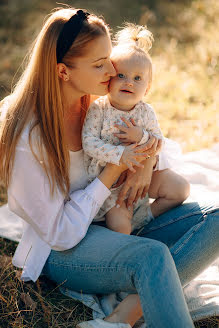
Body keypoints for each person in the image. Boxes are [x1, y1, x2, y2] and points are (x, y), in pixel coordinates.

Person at [0, 7, 218, 328]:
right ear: (63, 71)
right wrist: (114, 169)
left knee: (215, 218)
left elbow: (155, 139)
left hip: (117, 218)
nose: (112, 70)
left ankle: (122, 316)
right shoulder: (28, 135)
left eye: (110, 59)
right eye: (100, 64)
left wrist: (144, 163)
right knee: (152, 256)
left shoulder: (97, 100)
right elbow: (60, 233)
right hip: (67, 246)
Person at [82, 23, 190, 235]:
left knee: (180, 188)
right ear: (109, 80)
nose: (129, 82)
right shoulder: (99, 108)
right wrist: (121, 154)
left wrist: (141, 137)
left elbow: (158, 141)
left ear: (147, 88)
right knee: (120, 226)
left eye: (137, 78)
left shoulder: (145, 112)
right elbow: (89, 142)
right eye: (121, 76)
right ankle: (130, 230)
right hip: (112, 189)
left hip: (144, 175)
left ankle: (145, 217)